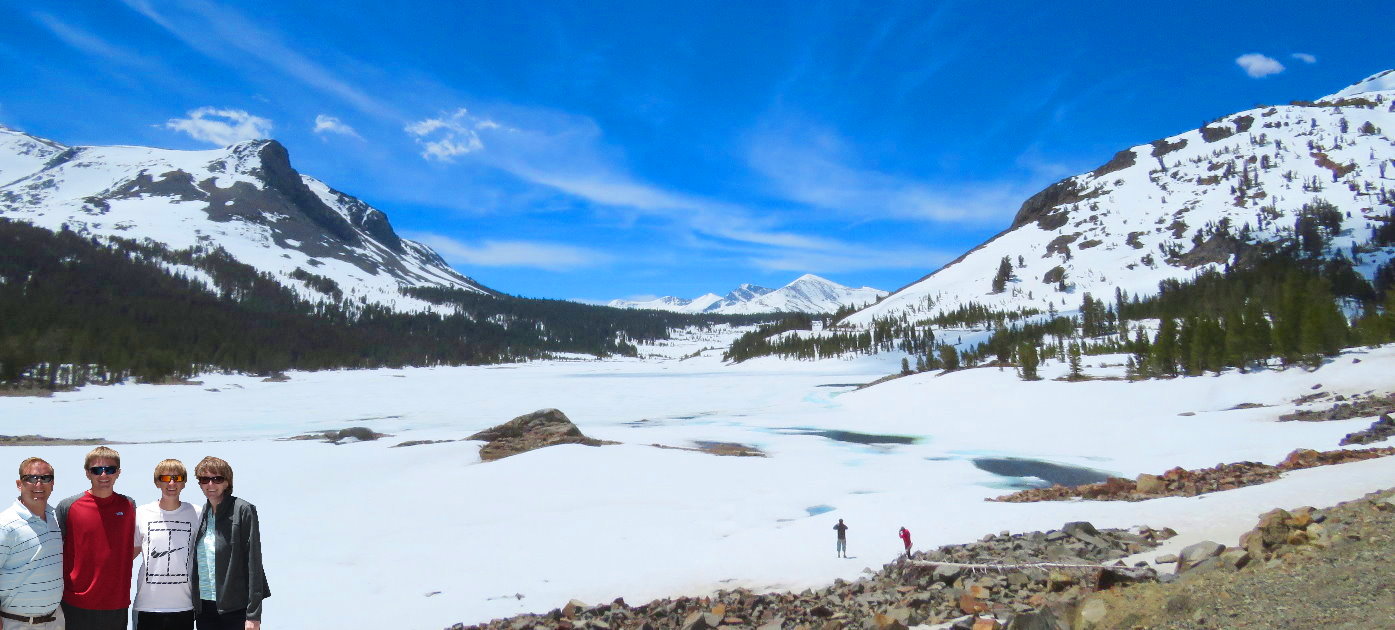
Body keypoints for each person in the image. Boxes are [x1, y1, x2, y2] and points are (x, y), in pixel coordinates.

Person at [57, 446, 138, 630]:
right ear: (87, 473)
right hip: (75, 603)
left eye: (109, 469)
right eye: (96, 470)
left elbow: (135, 546)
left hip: (116, 603)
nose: (103, 475)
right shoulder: (68, 506)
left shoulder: (129, 505)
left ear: (118, 473)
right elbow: (57, 550)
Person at [190, 457, 268, 630]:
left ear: (227, 482)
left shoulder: (243, 510)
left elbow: (254, 562)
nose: (211, 484)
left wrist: (253, 615)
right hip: (204, 608)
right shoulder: (203, 512)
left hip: (235, 608)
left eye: (217, 479)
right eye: (205, 479)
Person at [133, 460, 200, 630]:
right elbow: (128, 555)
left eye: (177, 478)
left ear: (184, 483)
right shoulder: (141, 513)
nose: (171, 483)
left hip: (184, 606)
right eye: (165, 478)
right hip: (147, 606)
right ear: (157, 482)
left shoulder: (197, 513)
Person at [1, 457, 64, 629]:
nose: (39, 484)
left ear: (52, 483)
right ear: (19, 484)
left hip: (54, 621)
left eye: (45, 478)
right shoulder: (5, 525)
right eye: (31, 478)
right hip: (15, 623)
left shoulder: (56, 520)